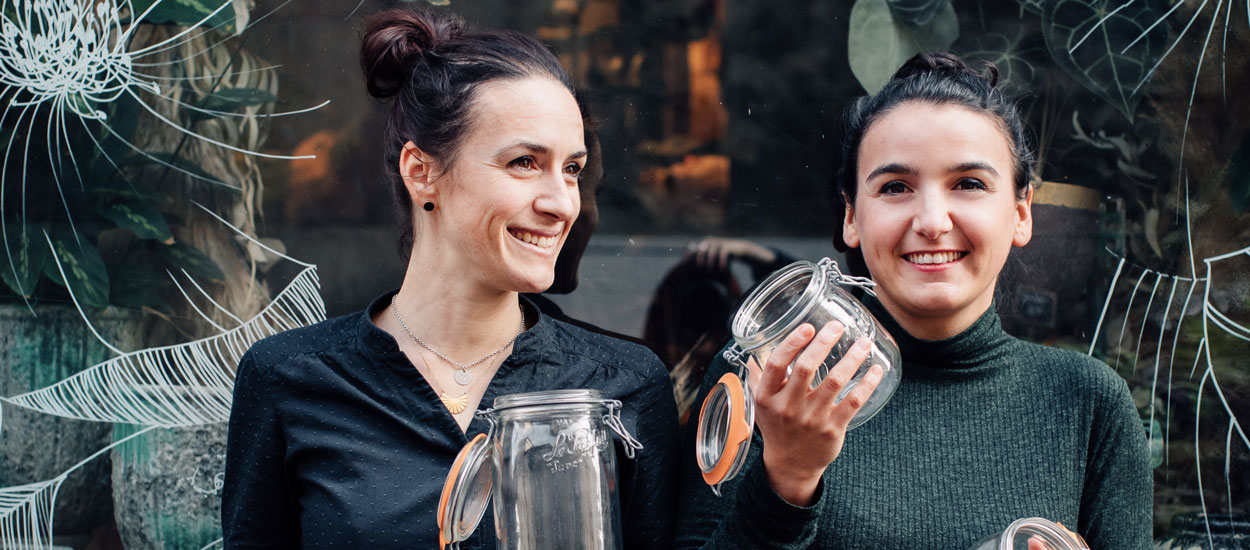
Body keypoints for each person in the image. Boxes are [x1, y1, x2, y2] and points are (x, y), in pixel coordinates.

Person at [221, 8, 678, 549]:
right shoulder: (288, 380)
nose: (562, 203)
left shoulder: (622, 386)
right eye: (525, 162)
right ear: (422, 172)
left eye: (572, 169)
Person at [675, 52, 1152, 549]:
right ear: (851, 216)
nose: (931, 221)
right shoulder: (772, 385)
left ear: (1021, 212)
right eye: (896, 187)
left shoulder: (1087, 403)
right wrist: (787, 477)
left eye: (968, 184)